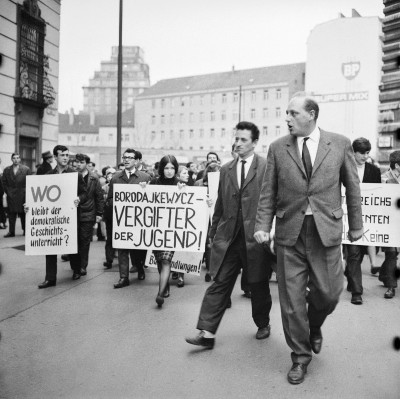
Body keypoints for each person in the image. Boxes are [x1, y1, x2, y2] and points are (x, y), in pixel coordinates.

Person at [254, 93, 363, 385]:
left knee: (329, 292)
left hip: (326, 231)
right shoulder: (278, 148)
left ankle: (314, 325)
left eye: (292, 113)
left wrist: (356, 225)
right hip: (290, 233)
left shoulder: (339, 143)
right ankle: (300, 357)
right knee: (291, 302)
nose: (287, 118)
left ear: (311, 114)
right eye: (286, 113)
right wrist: (263, 225)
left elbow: (352, 187)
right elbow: (268, 191)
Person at [186, 121, 273, 349]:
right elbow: (220, 206)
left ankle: (263, 322)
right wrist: (213, 234)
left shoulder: (266, 167)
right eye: (236, 139)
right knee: (219, 283)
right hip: (230, 239)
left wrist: (270, 232)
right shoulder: (225, 170)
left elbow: (273, 202)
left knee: (258, 284)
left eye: (243, 140)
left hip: (256, 239)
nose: (238, 143)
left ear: (255, 143)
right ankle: (206, 333)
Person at [35, 145, 88, 288]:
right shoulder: (47, 176)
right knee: (51, 246)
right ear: (55, 157)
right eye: (62, 155)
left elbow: (84, 193)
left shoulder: (75, 175)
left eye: (66, 155)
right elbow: (39, 197)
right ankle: (50, 278)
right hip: (53, 217)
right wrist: (30, 206)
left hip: (70, 216)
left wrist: (78, 199)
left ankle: (76, 269)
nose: (65, 158)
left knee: (72, 244)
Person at [342, 138, 381, 305]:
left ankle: (352, 281)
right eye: (362, 153)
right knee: (353, 253)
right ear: (353, 152)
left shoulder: (374, 171)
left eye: (367, 153)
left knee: (358, 255)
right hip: (349, 219)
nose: (365, 156)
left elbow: (379, 195)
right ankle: (357, 292)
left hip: (369, 218)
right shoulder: (344, 169)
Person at [107, 149, 151, 288]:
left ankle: (139, 267)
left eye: (130, 158)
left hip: (138, 220)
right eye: (125, 157)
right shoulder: (115, 178)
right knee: (122, 248)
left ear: (137, 161)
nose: (126, 160)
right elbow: (110, 199)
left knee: (137, 248)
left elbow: (151, 200)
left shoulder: (145, 177)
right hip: (122, 220)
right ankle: (123, 277)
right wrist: (118, 202)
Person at [149, 155, 180, 307]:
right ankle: (165, 285)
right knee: (159, 260)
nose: (169, 171)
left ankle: (160, 293)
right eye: (166, 168)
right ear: (162, 169)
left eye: (172, 168)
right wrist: (143, 188)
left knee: (166, 260)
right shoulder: (153, 182)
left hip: (172, 229)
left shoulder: (180, 184)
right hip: (156, 228)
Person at [74, 154, 104, 276]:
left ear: (86, 163)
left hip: (88, 213)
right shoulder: (71, 175)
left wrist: (99, 213)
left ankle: (82, 266)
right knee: (74, 240)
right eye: (76, 162)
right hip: (73, 212)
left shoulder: (94, 178)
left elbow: (99, 197)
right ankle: (75, 264)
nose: (78, 164)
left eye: (81, 162)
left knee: (84, 240)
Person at [378, 150, 400, 299]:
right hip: (388, 222)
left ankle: (384, 274)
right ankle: (392, 287)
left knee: (395, 252)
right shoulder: (383, 179)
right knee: (391, 252)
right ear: (397, 165)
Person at [2, 153, 31, 237]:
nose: (16, 159)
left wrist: (26, 192)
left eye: (18, 158)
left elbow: (30, 182)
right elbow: (3, 182)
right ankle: (11, 232)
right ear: (11, 159)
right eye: (14, 158)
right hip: (11, 195)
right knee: (11, 214)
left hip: (23, 195)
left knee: (23, 214)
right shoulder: (7, 170)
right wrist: (7, 191)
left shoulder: (26, 169)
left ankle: (25, 230)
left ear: (20, 159)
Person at [102, 167, 116, 269]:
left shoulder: (121, 186)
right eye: (108, 174)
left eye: (113, 174)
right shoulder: (104, 188)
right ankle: (109, 259)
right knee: (109, 238)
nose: (110, 176)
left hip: (120, 216)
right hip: (109, 216)